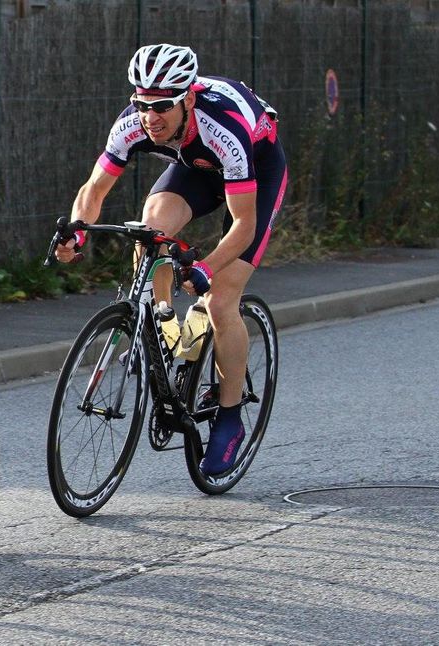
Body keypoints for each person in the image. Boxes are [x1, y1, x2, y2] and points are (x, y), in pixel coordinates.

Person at [55, 43, 288, 476]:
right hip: (195, 167)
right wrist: (77, 232)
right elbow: (93, 190)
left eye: (163, 105)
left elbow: (244, 227)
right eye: (142, 104)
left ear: (189, 99)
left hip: (256, 168)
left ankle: (230, 416)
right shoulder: (133, 124)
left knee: (221, 300)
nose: (151, 116)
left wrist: (205, 267)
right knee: (150, 229)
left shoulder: (223, 127)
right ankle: (161, 321)